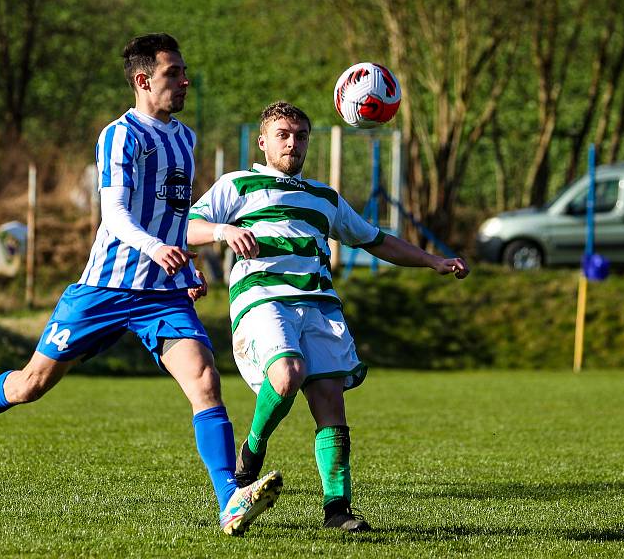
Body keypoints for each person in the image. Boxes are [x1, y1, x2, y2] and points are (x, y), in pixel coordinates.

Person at [0, 33, 281, 537]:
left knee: (205, 381)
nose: (185, 81)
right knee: (30, 385)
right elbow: (116, 213)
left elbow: (175, 216)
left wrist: (188, 265)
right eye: (174, 74)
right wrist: (153, 248)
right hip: (103, 289)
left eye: (184, 72)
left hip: (162, 295)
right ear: (144, 80)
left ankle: (229, 501)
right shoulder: (120, 135)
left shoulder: (186, 139)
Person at [187, 101, 469, 532]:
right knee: (288, 373)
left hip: (320, 305)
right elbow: (189, 226)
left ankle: (337, 510)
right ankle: (252, 452)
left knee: (330, 402)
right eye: (282, 134)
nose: (292, 143)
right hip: (263, 298)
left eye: (300, 136)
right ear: (263, 141)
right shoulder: (237, 184)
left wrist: (433, 261)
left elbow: (375, 240)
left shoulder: (324, 197)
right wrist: (223, 231)